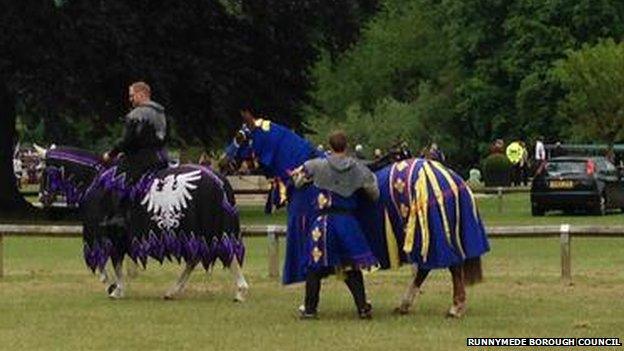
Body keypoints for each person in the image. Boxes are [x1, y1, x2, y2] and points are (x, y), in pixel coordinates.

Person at [291, 131, 379, 319]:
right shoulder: (359, 169)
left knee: (315, 268)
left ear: (329, 146)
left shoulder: (315, 165)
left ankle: (310, 310)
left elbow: (297, 181)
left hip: (323, 224)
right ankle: (362, 308)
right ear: (346, 146)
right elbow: (374, 193)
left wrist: (304, 179)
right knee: (351, 267)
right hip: (347, 223)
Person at [101, 81, 169, 226]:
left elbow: (128, 140)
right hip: (161, 157)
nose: (130, 99)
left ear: (142, 94)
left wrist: (111, 153)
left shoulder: (138, 113)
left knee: (118, 177)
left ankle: (119, 215)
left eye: (132, 96)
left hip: (142, 159)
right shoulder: (160, 112)